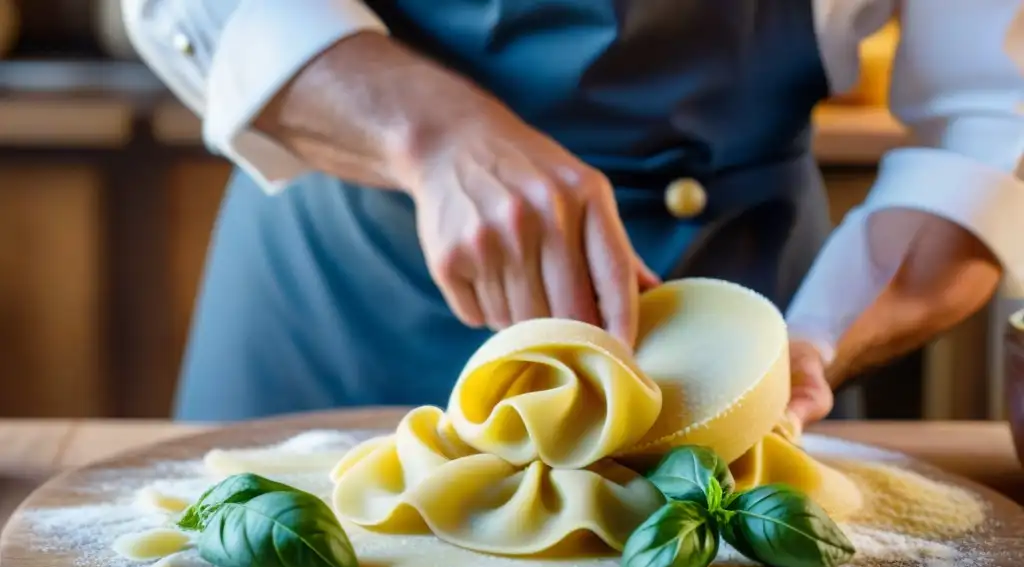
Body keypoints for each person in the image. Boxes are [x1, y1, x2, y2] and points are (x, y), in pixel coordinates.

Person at [122, 0, 1023, 429]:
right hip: (340, 320)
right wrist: (434, 136)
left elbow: (989, 130)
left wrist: (817, 343)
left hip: (742, 332)